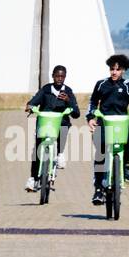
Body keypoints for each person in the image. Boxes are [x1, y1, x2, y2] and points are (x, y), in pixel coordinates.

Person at [85, 53, 129, 205]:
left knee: (127, 145)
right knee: (101, 154)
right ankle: (98, 190)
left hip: (120, 123)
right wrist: (90, 118)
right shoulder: (101, 84)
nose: (114, 72)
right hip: (103, 123)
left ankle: (125, 165)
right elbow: (92, 102)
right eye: (112, 69)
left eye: (117, 70)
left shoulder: (128, 85)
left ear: (123, 70)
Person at [23, 65, 79, 193]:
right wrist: (30, 106)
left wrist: (68, 100)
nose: (59, 78)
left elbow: (76, 113)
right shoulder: (46, 89)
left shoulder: (68, 91)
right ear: (53, 76)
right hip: (44, 123)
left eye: (62, 76)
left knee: (64, 127)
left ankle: (59, 153)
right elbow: (34, 101)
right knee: (37, 150)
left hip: (60, 122)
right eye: (57, 76)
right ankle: (33, 179)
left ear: (65, 77)